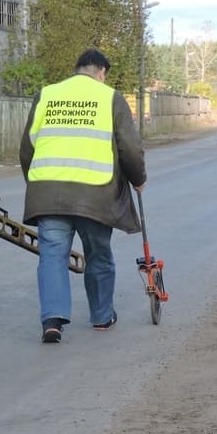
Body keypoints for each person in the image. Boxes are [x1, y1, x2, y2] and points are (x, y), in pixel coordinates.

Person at [19, 49, 146, 343]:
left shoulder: (46, 95)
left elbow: (27, 147)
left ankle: (52, 321)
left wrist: (37, 182)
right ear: (101, 72)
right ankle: (102, 317)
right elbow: (129, 147)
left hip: (49, 192)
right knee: (98, 254)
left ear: (78, 69)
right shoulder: (110, 98)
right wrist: (138, 179)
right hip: (96, 194)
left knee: (52, 256)